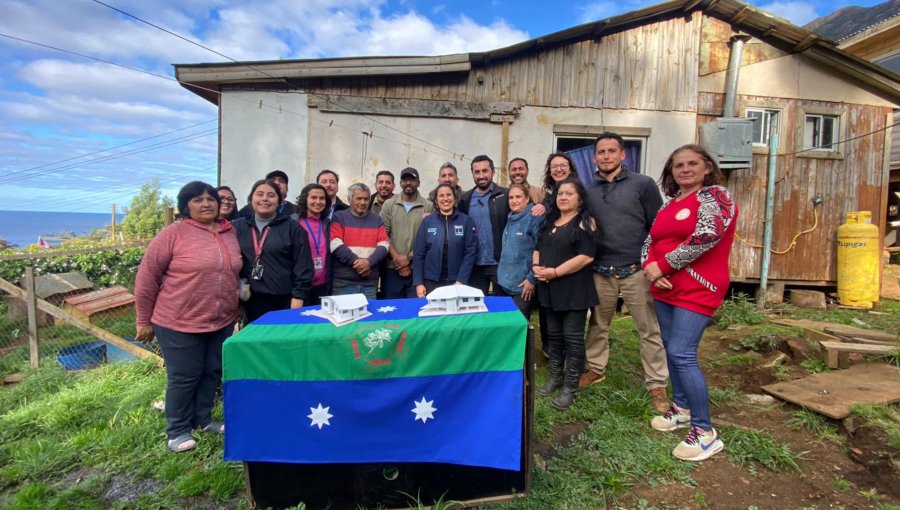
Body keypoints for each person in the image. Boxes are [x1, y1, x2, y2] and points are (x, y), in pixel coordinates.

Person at [643, 144, 737, 462]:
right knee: (671, 348)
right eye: (678, 165)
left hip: (698, 287)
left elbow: (707, 235)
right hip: (665, 288)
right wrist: (650, 269)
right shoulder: (669, 204)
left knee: (682, 353)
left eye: (692, 163)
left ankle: (705, 432)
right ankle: (681, 409)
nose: (684, 169)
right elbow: (649, 241)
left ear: (707, 167)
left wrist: (664, 265)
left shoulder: (715, 197)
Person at [135, 181, 241, 453]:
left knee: (211, 372)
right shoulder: (173, 234)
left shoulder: (228, 233)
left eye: (210, 199)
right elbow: (147, 277)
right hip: (178, 320)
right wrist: (143, 320)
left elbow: (232, 273)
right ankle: (178, 430)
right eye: (198, 200)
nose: (206, 204)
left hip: (220, 319)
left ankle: (203, 420)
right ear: (186, 207)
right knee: (184, 376)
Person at [583, 132, 670, 415]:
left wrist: (656, 265)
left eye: (611, 151)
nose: (606, 156)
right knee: (597, 325)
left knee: (649, 330)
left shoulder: (642, 185)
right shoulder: (589, 190)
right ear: (594, 157)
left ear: (623, 155)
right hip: (601, 270)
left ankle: (656, 383)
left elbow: (659, 228)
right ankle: (596, 368)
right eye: (601, 152)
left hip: (637, 270)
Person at [532, 178, 597, 410]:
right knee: (554, 337)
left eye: (569, 193)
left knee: (572, 338)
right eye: (560, 193)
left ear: (580, 199)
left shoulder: (584, 222)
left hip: (573, 290)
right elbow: (538, 248)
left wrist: (556, 272)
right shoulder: (551, 221)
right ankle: (555, 377)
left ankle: (570, 386)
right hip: (549, 288)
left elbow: (586, 256)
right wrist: (536, 267)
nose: (563, 197)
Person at [233, 179, 313, 323]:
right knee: (255, 342)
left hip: (285, 300)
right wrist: (239, 301)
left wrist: (298, 296)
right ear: (251, 199)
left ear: (279, 201)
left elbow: (304, 265)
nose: (265, 199)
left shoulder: (293, 228)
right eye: (260, 194)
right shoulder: (238, 227)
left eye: (271, 195)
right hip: (250, 300)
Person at [457, 155, 509, 295]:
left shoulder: (505, 195)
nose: (481, 175)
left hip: (500, 263)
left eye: (485, 171)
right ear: (472, 174)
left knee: (501, 308)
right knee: (477, 308)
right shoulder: (465, 199)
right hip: (475, 265)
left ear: (492, 172)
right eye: (477, 172)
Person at [413, 184, 477, 296]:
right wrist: (419, 283)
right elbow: (418, 254)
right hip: (431, 281)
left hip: (457, 282)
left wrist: (461, 280)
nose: (445, 198)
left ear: (455, 198)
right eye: (441, 196)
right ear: (436, 201)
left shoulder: (466, 221)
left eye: (449, 195)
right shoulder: (427, 222)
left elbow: (470, 253)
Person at [380, 167, 434, 298]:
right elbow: (383, 234)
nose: (408, 183)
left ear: (419, 183)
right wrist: (397, 259)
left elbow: (431, 238)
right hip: (392, 268)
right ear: (400, 183)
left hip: (418, 269)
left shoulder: (428, 206)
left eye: (412, 180)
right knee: (391, 311)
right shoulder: (389, 205)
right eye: (405, 180)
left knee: (415, 310)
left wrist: (408, 258)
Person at [330, 183, 390, 298]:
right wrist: (358, 264)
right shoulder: (339, 217)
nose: (362, 202)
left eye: (366, 199)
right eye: (358, 198)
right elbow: (335, 244)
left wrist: (369, 262)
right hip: (343, 283)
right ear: (349, 199)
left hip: (369, 284)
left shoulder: (377, 219)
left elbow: (384, 245)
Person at [497, 183, 542, 318]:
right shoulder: (511, 217)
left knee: (519, 328)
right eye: (511, 197)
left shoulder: (534, 217)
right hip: (503, 284)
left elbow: (542, 249)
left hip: (522, 287)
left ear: (527, 199)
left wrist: (531, 279)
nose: (514, 200)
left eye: (518, 197)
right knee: (504, 327)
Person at [295, 183, 332, 306]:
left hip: (324, 285)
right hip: (300, 286)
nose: (318, 201)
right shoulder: (293, 222)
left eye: (322, 198)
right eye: (313, 197)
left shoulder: (329, 224)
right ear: (305, 199)